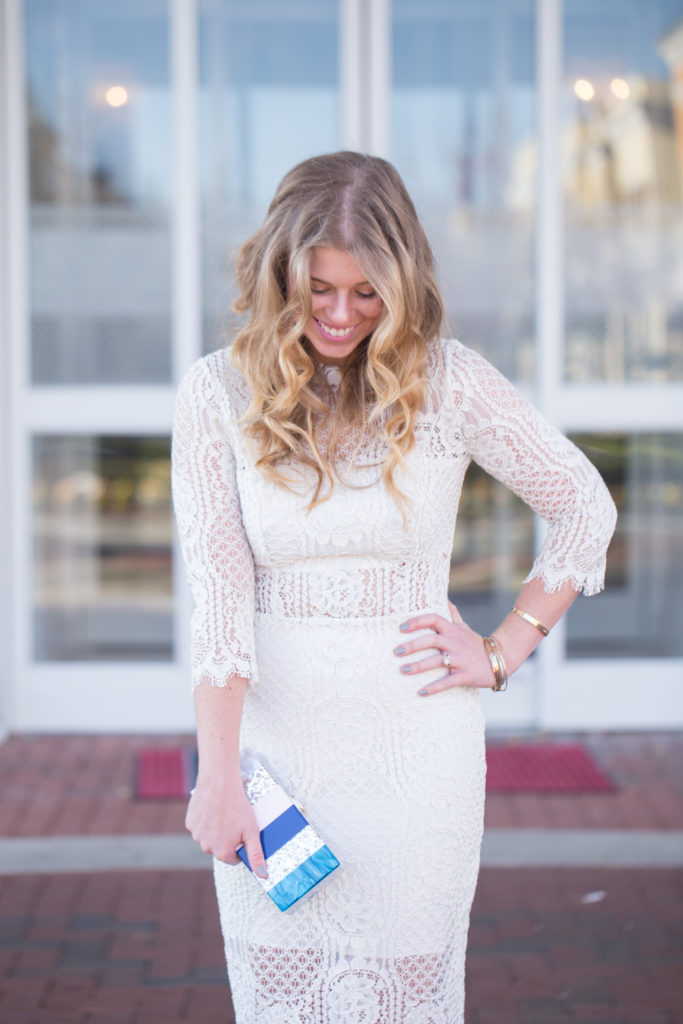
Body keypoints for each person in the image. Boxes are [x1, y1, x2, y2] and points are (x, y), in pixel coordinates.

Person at [171, 150, 617, 1024]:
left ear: (403, 282)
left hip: (419, 753)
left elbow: (582, 506)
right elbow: (219, 600)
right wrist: (215, 773)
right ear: (278, 276)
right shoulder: (215, 393)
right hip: (279, 755)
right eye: (318, 289)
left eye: (366, 291)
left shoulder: (449, 381)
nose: (340, 315)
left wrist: (502, 649)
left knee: (410, 996)